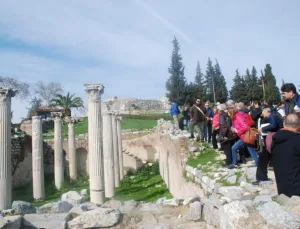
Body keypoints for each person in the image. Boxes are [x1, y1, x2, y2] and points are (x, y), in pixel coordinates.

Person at [271, 114, 300, 197]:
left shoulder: (275, 140)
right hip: (297, 191)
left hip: (282, 190)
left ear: (284, 124)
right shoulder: (297, 140)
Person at [252, 108, 282, 185]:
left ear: (267, 111)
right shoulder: (270, 117)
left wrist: (262, 129)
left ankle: (262, 178)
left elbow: (273, 125)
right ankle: (262, 177)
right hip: (272, 139)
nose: (262, 114)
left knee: (262, 159)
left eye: (263, 112)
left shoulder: (272, 117)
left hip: (273, 140)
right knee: (264, 158)